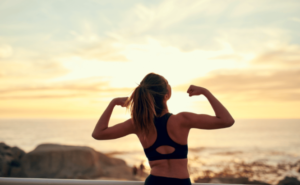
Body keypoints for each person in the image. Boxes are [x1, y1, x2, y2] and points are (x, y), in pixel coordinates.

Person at [92, 73, 235, 185]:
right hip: (181, 183)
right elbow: (227, 120)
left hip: (155, 182)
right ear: (166, 96)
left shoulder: (138, 124)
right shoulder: (182, 120)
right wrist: (205, 92)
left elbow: (98, 133)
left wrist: (113, 103)